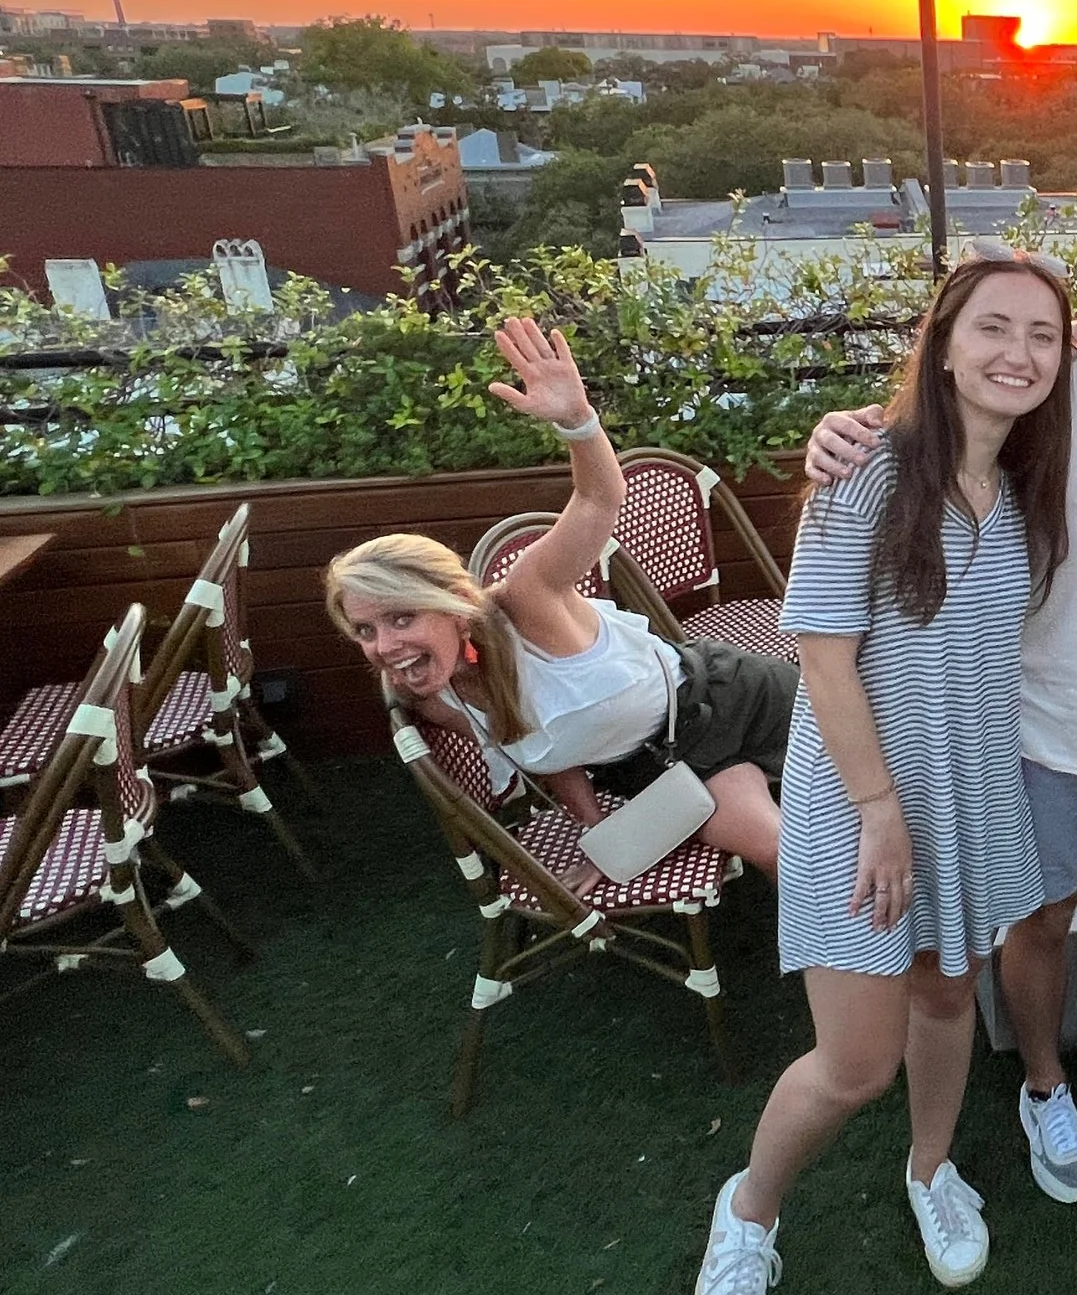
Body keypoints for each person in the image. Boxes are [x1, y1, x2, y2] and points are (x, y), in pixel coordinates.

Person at [806, 133, 1077, 1204]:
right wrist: (843, 430)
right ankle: (1045, 1085)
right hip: (1033, 724)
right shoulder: (1042, 379)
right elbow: (937, 422)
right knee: (1036, 921)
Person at [694, 249, 1074, 1295]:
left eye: (1043, 336)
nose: (1019, 354)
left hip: (966, 788)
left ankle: (931, 1168)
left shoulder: (1019, 485)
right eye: (993, 330)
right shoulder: (867, 470)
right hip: (863, 805)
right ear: (945, 343)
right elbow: (819, 656)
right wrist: (878, 809)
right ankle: (748, 1213)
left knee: (949, 997)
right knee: (854, 1061)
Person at [325, 317, 793, 889]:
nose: (386, 646)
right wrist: (604, 842)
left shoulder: (527, 599)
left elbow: (600, 497)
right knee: (782, 851)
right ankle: (848, 959)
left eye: (402, 617)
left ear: (454, 606)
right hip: (658, 770)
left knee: (893, 784)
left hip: (729, 701)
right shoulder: (434, 695)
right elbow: (555, 751)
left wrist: (577, 420)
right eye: (366, 631)